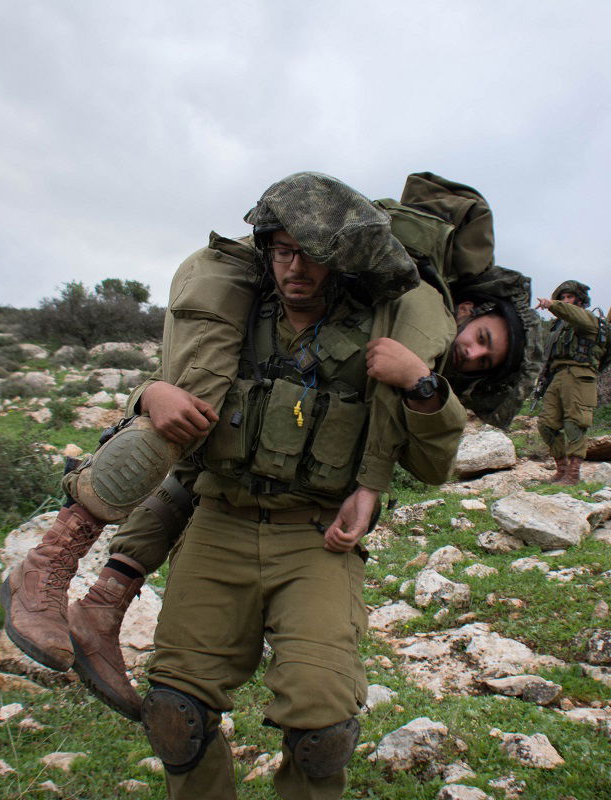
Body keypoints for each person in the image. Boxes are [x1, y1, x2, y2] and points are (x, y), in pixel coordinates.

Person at [2, 174, 538, 719]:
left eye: (484, 359)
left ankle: (99, 610)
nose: (471, 354)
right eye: (481, 338)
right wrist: (149, 393)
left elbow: (392, 422)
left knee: (208, 455)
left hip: (297, 507)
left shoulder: (397, 320)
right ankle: (46, 567)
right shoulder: (404, 293)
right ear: (473, 306)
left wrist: (384, 456)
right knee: (186, 423)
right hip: (232, 476)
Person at [139, 174, 466, 799]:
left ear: (339, 261)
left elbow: (430, 466)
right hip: (219, 525)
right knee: (175, 718)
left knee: (323, 735)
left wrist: (422, 384)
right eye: (282, 251)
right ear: (265, 250)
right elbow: (169, 392)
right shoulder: (231, 318)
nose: (296, 269)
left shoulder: (378, 332)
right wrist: (150, 395)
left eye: (312, 255)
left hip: (318, 540)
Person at [534, 280, 611, 485]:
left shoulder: (586, 318)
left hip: (579, 374)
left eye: (570, 298)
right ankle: (561, 469)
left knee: (574, 424)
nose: (566, 301)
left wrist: (552, 304)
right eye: (562, 298)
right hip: (557, 375)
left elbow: (574, 314)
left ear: (579, 300)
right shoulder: (558, 327)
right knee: (546, 424)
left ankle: (574, 474)